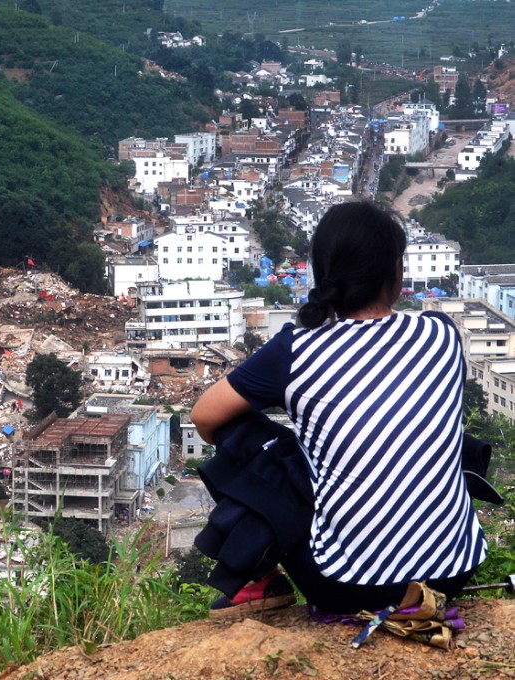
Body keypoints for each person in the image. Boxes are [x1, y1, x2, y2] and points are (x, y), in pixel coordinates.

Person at [191, 201, 486, 615]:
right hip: (449, 575)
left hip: (343, 586)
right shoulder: (440, 333)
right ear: (397, 273)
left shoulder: (294, 349)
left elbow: (204, 416)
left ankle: (259, 575)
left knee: (246, 435)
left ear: (322, 272)